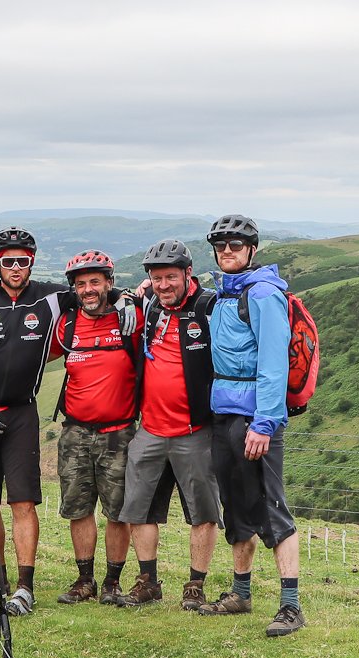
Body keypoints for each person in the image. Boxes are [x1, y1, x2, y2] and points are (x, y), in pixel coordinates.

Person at [0, 227, 136, 617]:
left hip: (21, 412)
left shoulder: (51, 297)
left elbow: (96, 290)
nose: (15, 267)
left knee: (22, 500)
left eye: (22, 260)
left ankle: (24, 586)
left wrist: (129, 299)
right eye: (7, 261)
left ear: (31, 262)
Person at [198, 214, 305, 636]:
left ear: (252, 250)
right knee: (237, 506)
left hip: (254, 419)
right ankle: (241, 593)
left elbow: (274, 363)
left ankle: (291, 605)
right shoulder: (225, 295)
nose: (228, 251)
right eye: (221, 245)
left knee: (270, 506)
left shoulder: (263, 294)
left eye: (236, 245)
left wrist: (264, 423)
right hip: (223, 413)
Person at [115, 239, 221, 610]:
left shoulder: (208, 306)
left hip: (195, 431)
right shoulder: (149, 306)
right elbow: (114, 294)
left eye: (171, 277)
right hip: (150, 430)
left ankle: (195, 585)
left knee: (203, 513)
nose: (164, 285)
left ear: (188, 274)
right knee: (138, 510)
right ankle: (148, 582)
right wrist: (133, 294)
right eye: (157, 279)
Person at [49, 250, 140, 607]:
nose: (89, 289)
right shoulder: (67, 325)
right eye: (82, 283)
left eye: (95, 282)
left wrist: (129, 298)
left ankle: (112, 583)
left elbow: (153, 293)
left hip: (119, 432)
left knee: (118, 512)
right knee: (79, 508)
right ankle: (84, 580)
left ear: (109, 283)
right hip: (74, 433)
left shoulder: (129, 320)